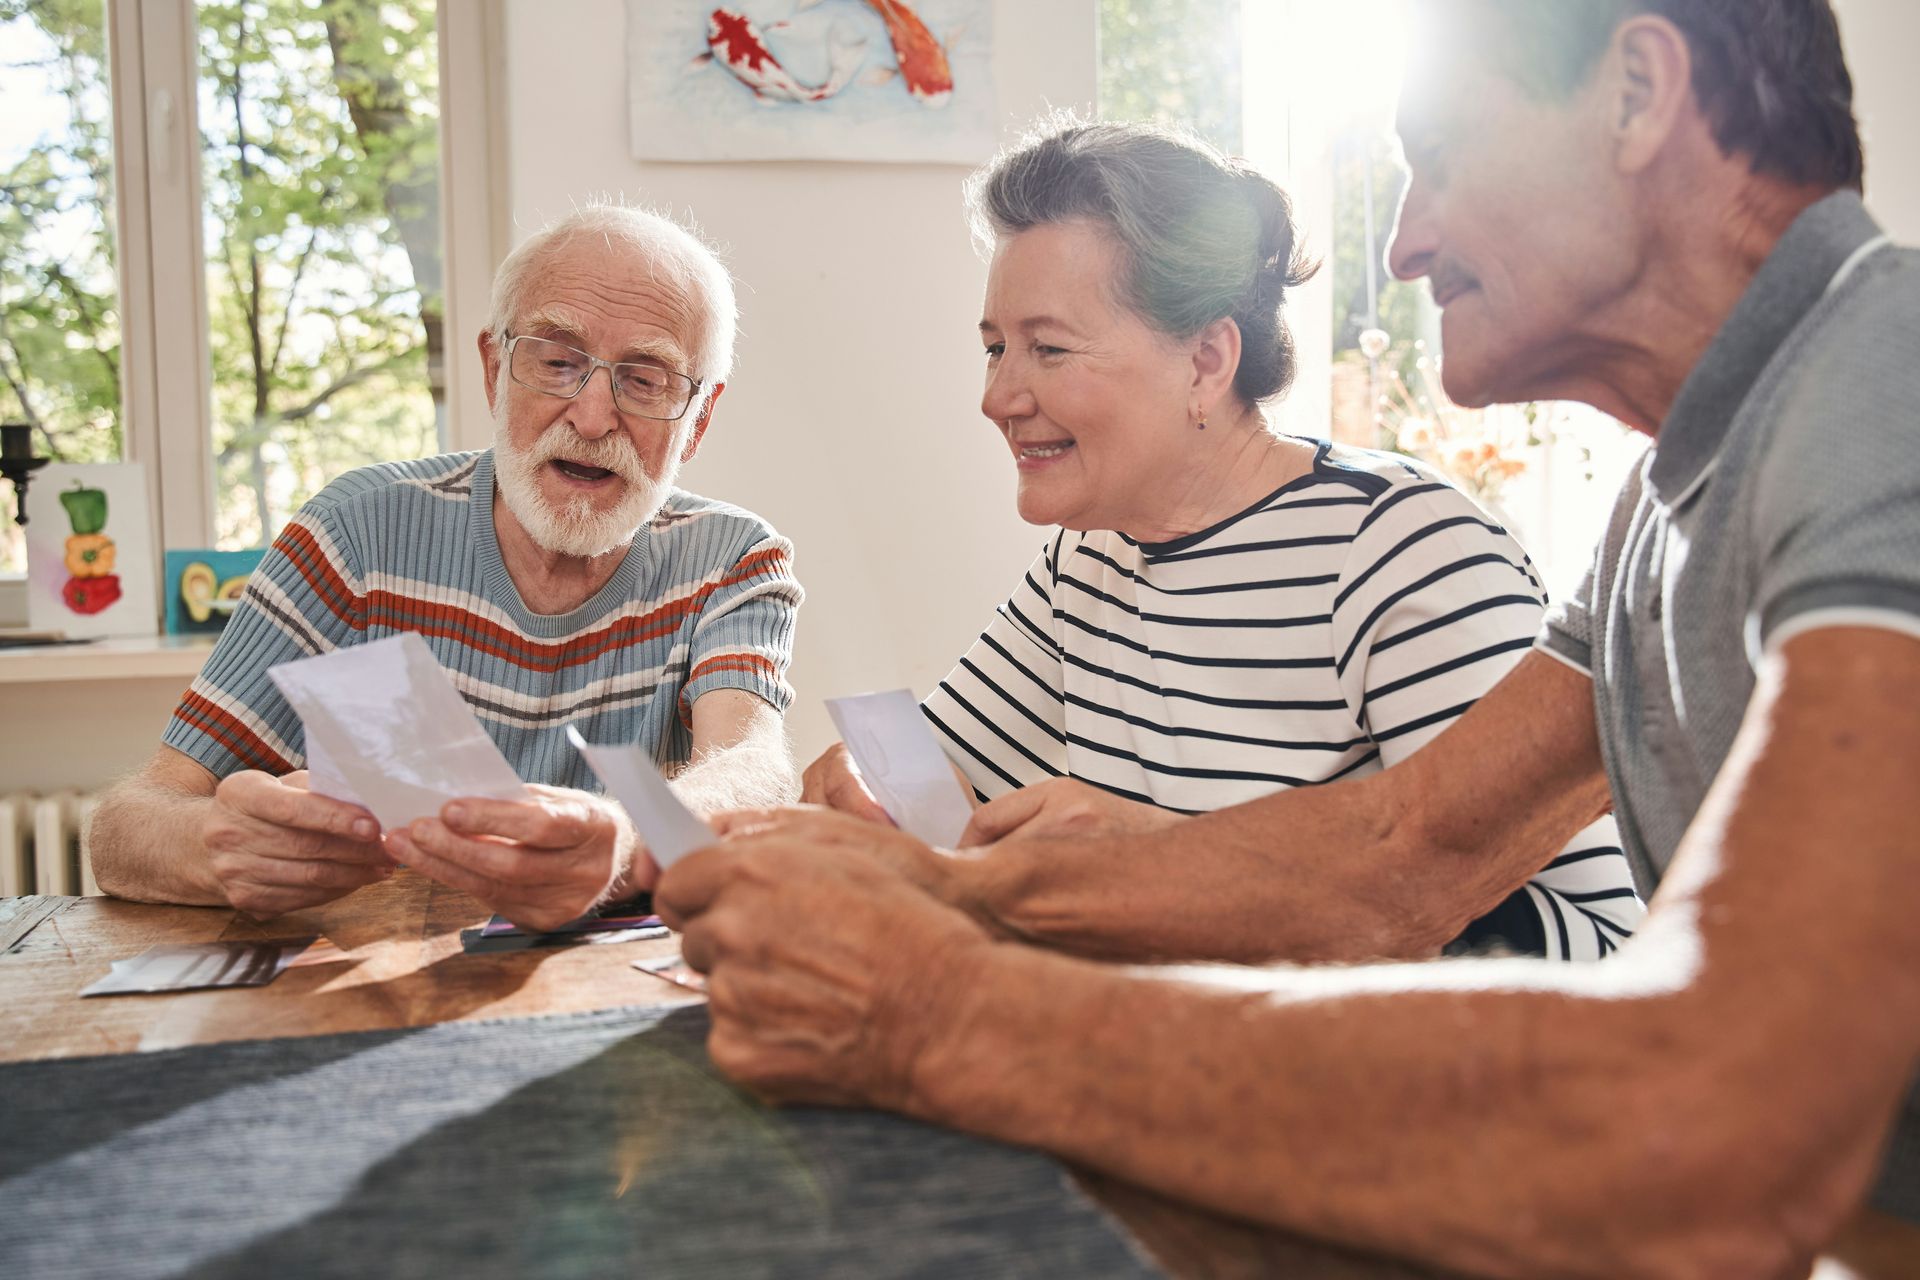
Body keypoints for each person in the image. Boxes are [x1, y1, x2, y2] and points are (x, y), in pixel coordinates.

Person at [657, 1, 1920, 1273]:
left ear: (1642, 91)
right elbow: (1404, 848)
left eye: (1443, 149)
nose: (1410, 241)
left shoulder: (1888, 383)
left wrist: (937, 1008)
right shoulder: (1672, 496)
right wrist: (944, 889)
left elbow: (1728, 1127)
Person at [805, 122, 1642, 963]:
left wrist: (1169, 870)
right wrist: (867, 777)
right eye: (995, 349)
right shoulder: (1093, 557)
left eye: (1048, 349)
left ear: (1206, 361)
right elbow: (945, 775)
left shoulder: (1401, 550)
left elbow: (1604, 948)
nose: (998, 398)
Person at [92, 204, 803, 931]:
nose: (592, 418)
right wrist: (218, 848)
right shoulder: (356, 533)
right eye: (557, 363)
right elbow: (128, 827)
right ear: (496, 370)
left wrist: (622, 844)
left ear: (699, 420)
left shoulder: (733, 559)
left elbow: (753, 772)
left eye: (646, 380)